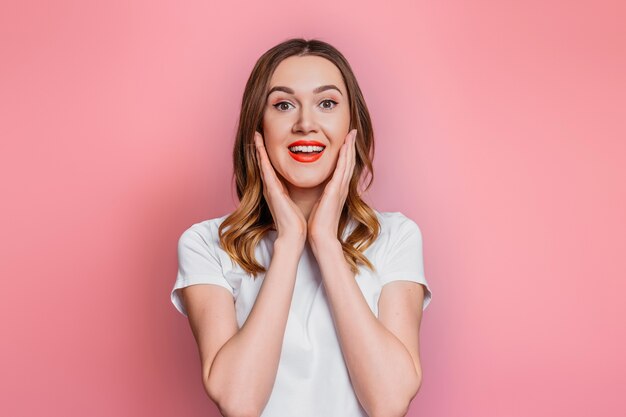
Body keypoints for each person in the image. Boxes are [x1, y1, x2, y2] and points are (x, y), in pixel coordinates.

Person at [170, 38, 433, 417]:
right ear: (256, 127)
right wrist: (290, 242)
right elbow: (238, 402)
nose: (306, 124)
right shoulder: (207, 244)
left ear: (351, 125)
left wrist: (324, 241)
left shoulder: (395, 237)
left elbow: (389, 402)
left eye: (326, 103)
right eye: (283, 105)